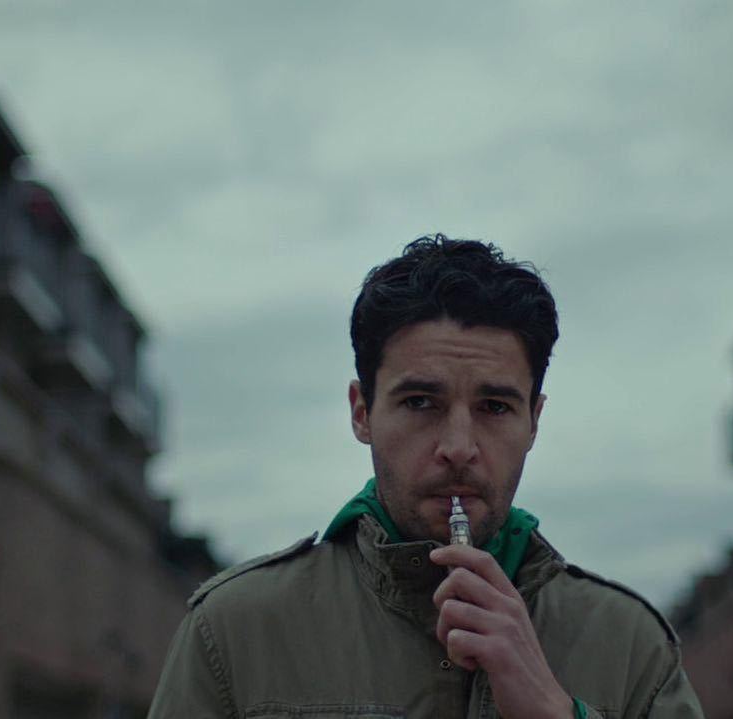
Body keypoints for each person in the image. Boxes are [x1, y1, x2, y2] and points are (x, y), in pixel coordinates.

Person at [147, 235, 704, 719]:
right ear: (361, 412)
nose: (459, 449)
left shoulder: (632, 647)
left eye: (494, 407)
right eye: (420, 402)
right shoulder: (236, 631)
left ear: (535, 421)